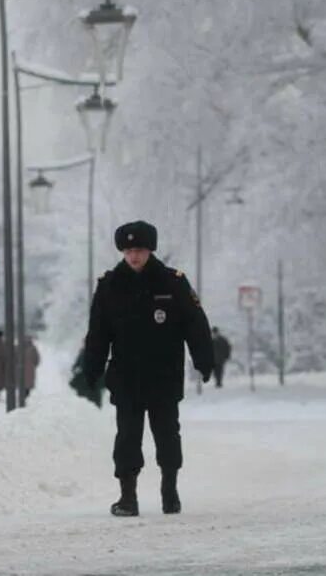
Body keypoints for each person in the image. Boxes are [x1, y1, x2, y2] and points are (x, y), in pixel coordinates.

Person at [84, 220, 215, 517]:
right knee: (127, 437)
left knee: (167, 434)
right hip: (126, 377)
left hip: (164, 376)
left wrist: (204, 360)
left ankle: (170, 490)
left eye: (139, 250)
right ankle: (127, 497)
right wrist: (91, 367)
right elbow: (98, 332)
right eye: (129, 250)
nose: (134, 257)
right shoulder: (109, 286)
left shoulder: (173, 282)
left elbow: (195, 325)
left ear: (150, 250)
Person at [21, 335, 41, 403]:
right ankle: (26, 396)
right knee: (28, 384)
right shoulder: (33, 348)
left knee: (22, 383)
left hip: (21, 369)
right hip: (30, 369)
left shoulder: (20, 347)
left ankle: (22, 397)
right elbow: (37, 359)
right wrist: (34, 365)